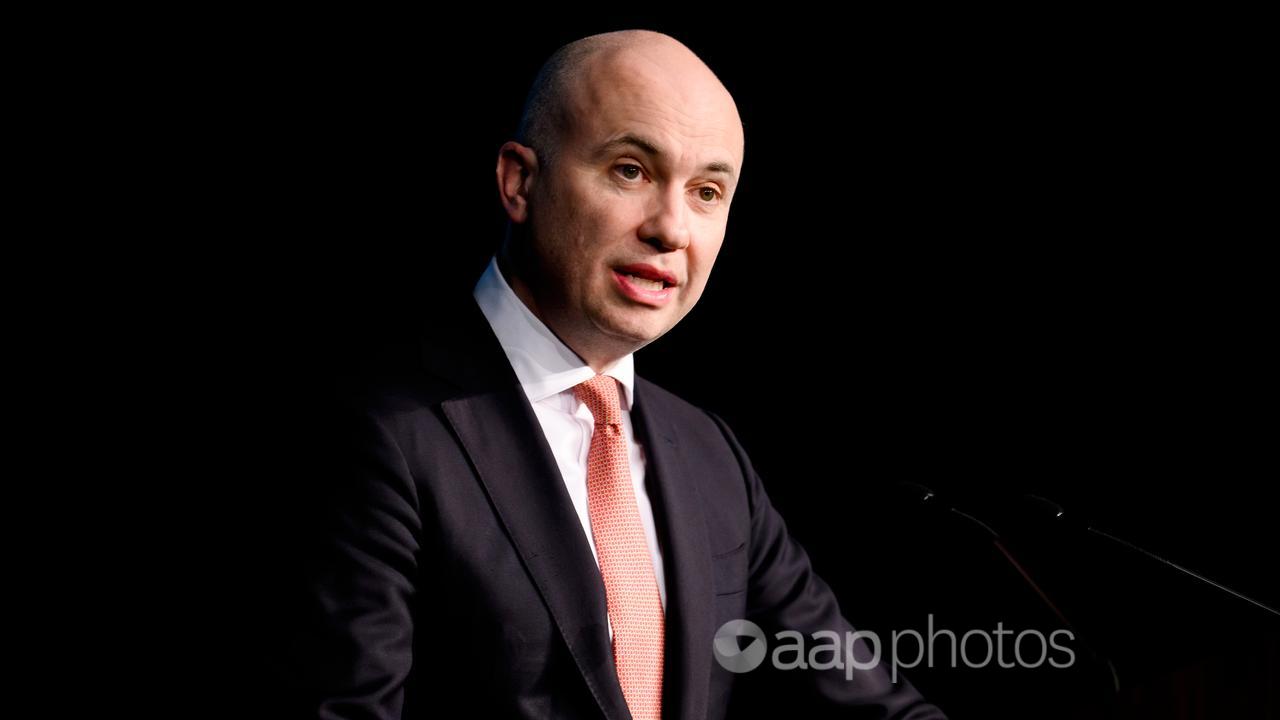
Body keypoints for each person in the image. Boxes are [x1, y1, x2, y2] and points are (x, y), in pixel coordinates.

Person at [294, 29, 946, 719]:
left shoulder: (709, 453)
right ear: (520, 180)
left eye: (706, 191)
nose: (672, 229)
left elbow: (868, 701)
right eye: (631, 170)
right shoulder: (378, 429)